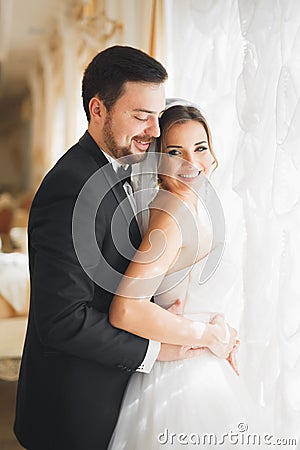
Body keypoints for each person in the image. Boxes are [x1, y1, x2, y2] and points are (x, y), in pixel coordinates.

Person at [13, 46, 217, 450]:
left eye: (158, 116)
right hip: (73, 407)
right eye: (141, 116)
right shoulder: (73, 188)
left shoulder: (122, 169)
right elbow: (62, 321)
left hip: (109, 395)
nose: (155, 131)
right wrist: (158, 348)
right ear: (98, 109)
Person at [107, 105, 266, 449]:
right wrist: (207, 334)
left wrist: (221, 329)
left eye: (200, 148)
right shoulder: (172, 214)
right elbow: (125, 309)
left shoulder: (194, 202)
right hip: (180, 376)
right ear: (158, 159)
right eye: (175, 152)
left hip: (202, 364)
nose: (192, 162)